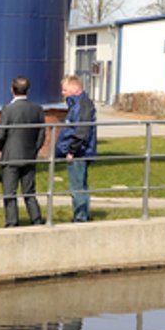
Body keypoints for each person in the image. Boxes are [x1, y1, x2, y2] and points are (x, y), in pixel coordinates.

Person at [0, 75, 46, 227]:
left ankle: (12, 222)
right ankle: (36, 219)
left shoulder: (8, 109)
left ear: (12, 90)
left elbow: (0, 135)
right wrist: (34, 150)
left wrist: (4, 149)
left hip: (11, 156)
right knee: (29, 192)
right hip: (29, 156)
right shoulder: (37, 109)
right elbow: (41, 135)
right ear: (28, 90)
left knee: (10, 193)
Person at [57, 74, 98, 223]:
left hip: (79, 153)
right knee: (79, 185)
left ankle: (80, 218)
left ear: (75, 88)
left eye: (65, 89)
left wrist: (71, 151)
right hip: (78, 151)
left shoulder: (82, 105)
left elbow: (82, 130)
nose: (63, 93)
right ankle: (81, 215)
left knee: (77, 187)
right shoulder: (77, 104)